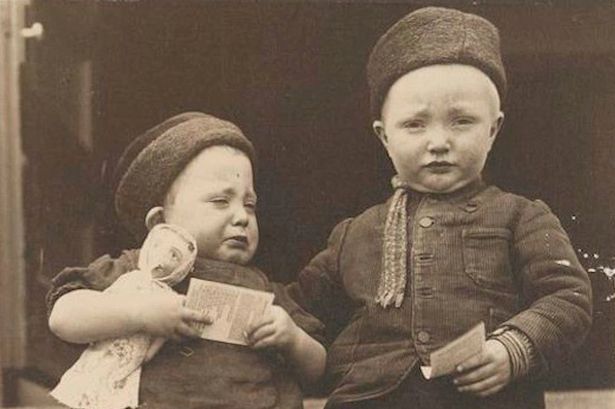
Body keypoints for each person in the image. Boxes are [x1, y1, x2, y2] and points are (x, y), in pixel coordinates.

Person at [286, 6, 592, 409]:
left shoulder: (522, 217)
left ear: (493, 129)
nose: (438, 142)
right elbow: (299, 309)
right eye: (415, 124)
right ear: (384, 137)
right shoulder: (353, 234)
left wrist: (513, 349)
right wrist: (280, 330)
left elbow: (568, 297)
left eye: (461, 121)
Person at [47, 112, 326, 409]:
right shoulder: (142, 269)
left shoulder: (261, 288)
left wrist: (292, 338)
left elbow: (317, 368)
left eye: (250, 205)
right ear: (160, 221)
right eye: (220, 201)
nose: (242, 217)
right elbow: (63, 316)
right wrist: (140, 312)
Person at [51, 223, 198, 409]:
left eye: (174, 256)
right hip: (106, 351)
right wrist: (141, 314)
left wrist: (148, 352)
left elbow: (159, 341)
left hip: (134, 364)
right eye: (157, 247)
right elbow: (76, 312)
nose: (162, 258)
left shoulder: (170, 295)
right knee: (92, 382)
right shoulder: (130, 275)